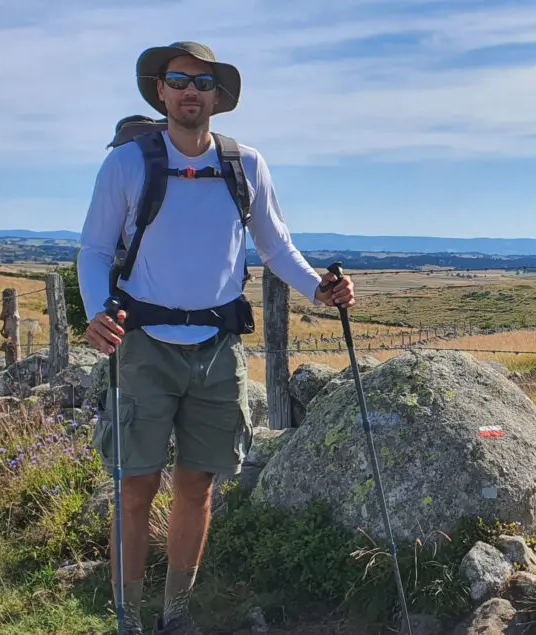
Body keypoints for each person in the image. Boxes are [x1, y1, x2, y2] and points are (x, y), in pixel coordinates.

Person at [76, 41, 355, 635]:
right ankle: (128, 619)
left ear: (218, 98)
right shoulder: (127, 164)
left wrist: (318, 290)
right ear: (160, 91)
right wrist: (99, 310)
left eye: (201, 82)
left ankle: (174, 616)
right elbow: (96, 250)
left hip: (216, 348)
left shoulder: (244, 164)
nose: (189, 91)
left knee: (197, 486)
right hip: (142, 342)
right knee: (135, 486)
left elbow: (276, 245)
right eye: (178, 80)